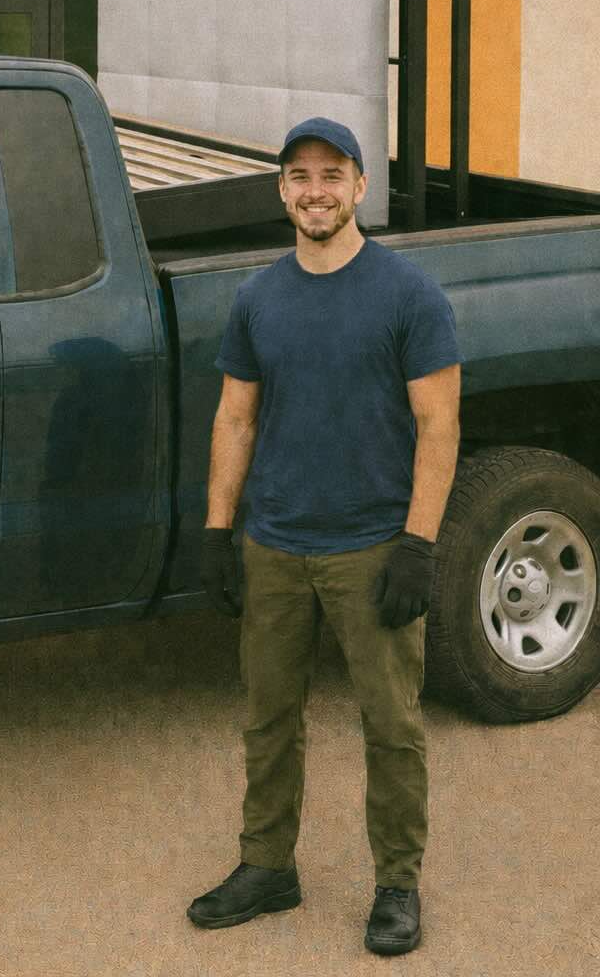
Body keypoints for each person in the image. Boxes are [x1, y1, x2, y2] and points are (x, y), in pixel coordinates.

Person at [189, 116, 461, 957]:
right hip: (275, 544)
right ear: (281, 190)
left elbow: (439, 425)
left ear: (359, 188)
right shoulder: (258, 298)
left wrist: (418, 544)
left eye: (331, 175)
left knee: (390, 725)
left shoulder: (409, 296)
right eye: (299, 176)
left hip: (373, 546)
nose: (316, 191)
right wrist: (217, 528)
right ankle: (268, 866)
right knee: (269, 718)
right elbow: (236, 416)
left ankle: (398, 886)